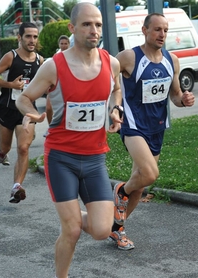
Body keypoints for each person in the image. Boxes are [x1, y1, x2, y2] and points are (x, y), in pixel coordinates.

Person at [15, 3, 122, 277]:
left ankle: (85, 216)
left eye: (97, 24)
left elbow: (117, 89)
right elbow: (23, 97)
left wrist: (115, 108)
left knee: (101, 229)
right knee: (72, 230)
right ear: (72, 28)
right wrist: (33, 114)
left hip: (95, 157)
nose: (94, 30)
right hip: (61, 157)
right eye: (87, 24)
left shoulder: (112, 63)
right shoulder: (54, 66)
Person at [112, 13, 195, 250]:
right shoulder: (129, 57)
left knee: (140, 187)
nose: (162, 34)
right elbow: (109, 78)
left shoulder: (173, 60)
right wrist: (114, 107)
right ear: (145, 30)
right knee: (149, 173)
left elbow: (175, 95)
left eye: (166, 30)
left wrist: (184, 100)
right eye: (157, 29)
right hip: (133, 126)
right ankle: (120, 190)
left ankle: (116, 228)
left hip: (157, 128)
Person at [0, 22, 44, 203]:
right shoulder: (10, 57)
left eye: (35, 36)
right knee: (6, 147)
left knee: (23, 148)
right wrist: (11, 85)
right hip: (7, 108)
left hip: (27, 111)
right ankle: (1, 152)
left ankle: (16, 187)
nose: (32, 40)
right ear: (19, 37)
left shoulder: (40, 61)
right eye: (28, 36)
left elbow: (46, 85)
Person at [45, 35, 70, 127]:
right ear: (59, 45)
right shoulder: (55, 57)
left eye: (65, 44)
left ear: (69, 44)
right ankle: (51, 127)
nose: (63, 46)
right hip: (55, 85)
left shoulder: (73, 56)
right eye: (62, 44)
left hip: (69, 86)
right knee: (48, 107)